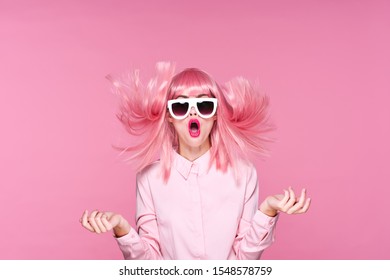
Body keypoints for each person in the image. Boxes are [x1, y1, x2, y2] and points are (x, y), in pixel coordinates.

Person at [80, 62, 311, 260]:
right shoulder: (148, 178)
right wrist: (121, 228)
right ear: (169, 116)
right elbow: (150, 266)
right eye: (180, 106)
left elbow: (244, 262)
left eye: (204, 105)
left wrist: (268, 211)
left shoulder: (244, 173)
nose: (193, 114)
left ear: (215, 114)